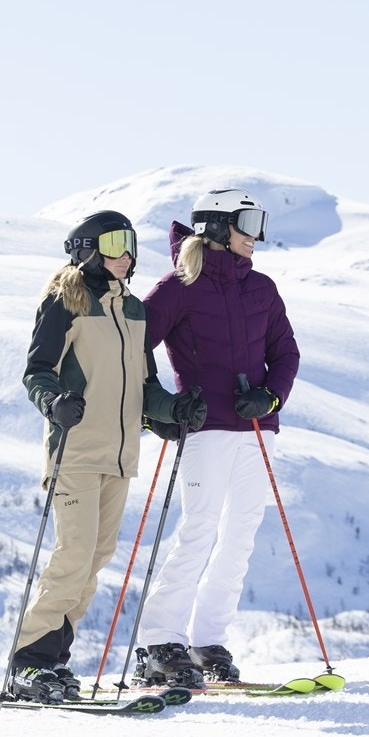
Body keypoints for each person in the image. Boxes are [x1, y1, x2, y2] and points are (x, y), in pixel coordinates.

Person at [15, 210, 207, 703]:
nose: (125, 254)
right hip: (75, 451)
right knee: (72, 556)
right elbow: (37, 370)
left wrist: (172, 410)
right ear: (86, 249)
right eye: (114, 242)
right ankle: (28, 663)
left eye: (130, 243)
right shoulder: (66, 302)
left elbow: (144, 386)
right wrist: (54, 403)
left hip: (120, 456)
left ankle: (54, 662)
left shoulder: (134, 310)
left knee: (94, 560)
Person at [133, 187, 300, 688]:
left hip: (255, 428)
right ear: (217, 227)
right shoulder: (180, 285)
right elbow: (133, 346)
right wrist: (161, 404)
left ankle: (208, 640)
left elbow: (286, 354)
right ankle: (161, 642)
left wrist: (269, 396)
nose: (256, 234)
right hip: (205, 427)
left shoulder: (263, 288)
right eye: (247, 221)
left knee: (242, 532)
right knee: (200, 529)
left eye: (259, 221)